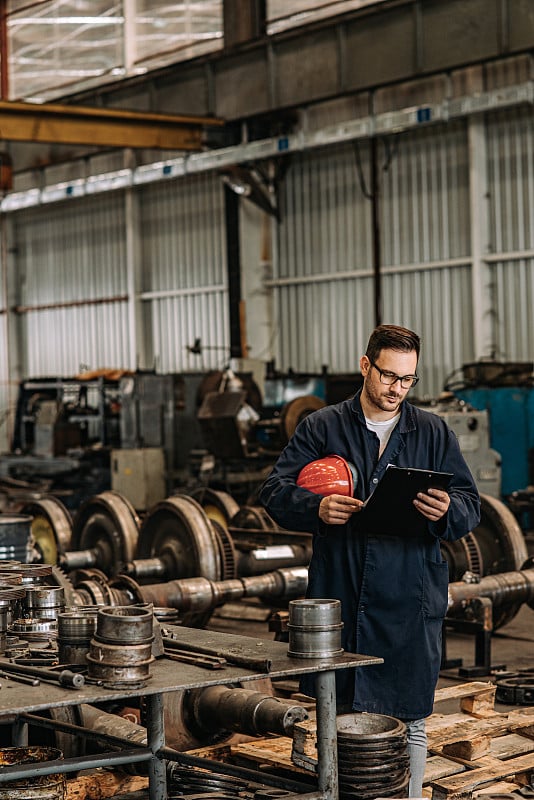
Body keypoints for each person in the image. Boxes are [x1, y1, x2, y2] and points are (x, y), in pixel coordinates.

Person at [259, 324, 481, 798]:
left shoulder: (433, 431)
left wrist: (447, 510)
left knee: (411, 723)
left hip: (409, 600)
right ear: (365, 366)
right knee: (336, 719)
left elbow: (470, 505)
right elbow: (273, 491)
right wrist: (314, 507)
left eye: (407, 379)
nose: (396, 389)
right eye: (387, 376)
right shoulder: (323, 427)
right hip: (342, 595)